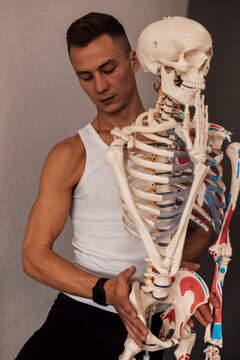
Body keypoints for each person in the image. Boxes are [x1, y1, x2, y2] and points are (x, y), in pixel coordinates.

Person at [15, 12, 218, 360]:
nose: (100, 87)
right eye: (86, 76)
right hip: (82, 317)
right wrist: (106, 290)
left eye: (108, 69)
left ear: (134, 60)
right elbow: (34, 256)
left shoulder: (184, 143)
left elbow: (203, 225)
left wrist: (174, 271)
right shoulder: (72, 153)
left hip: (152, 322)